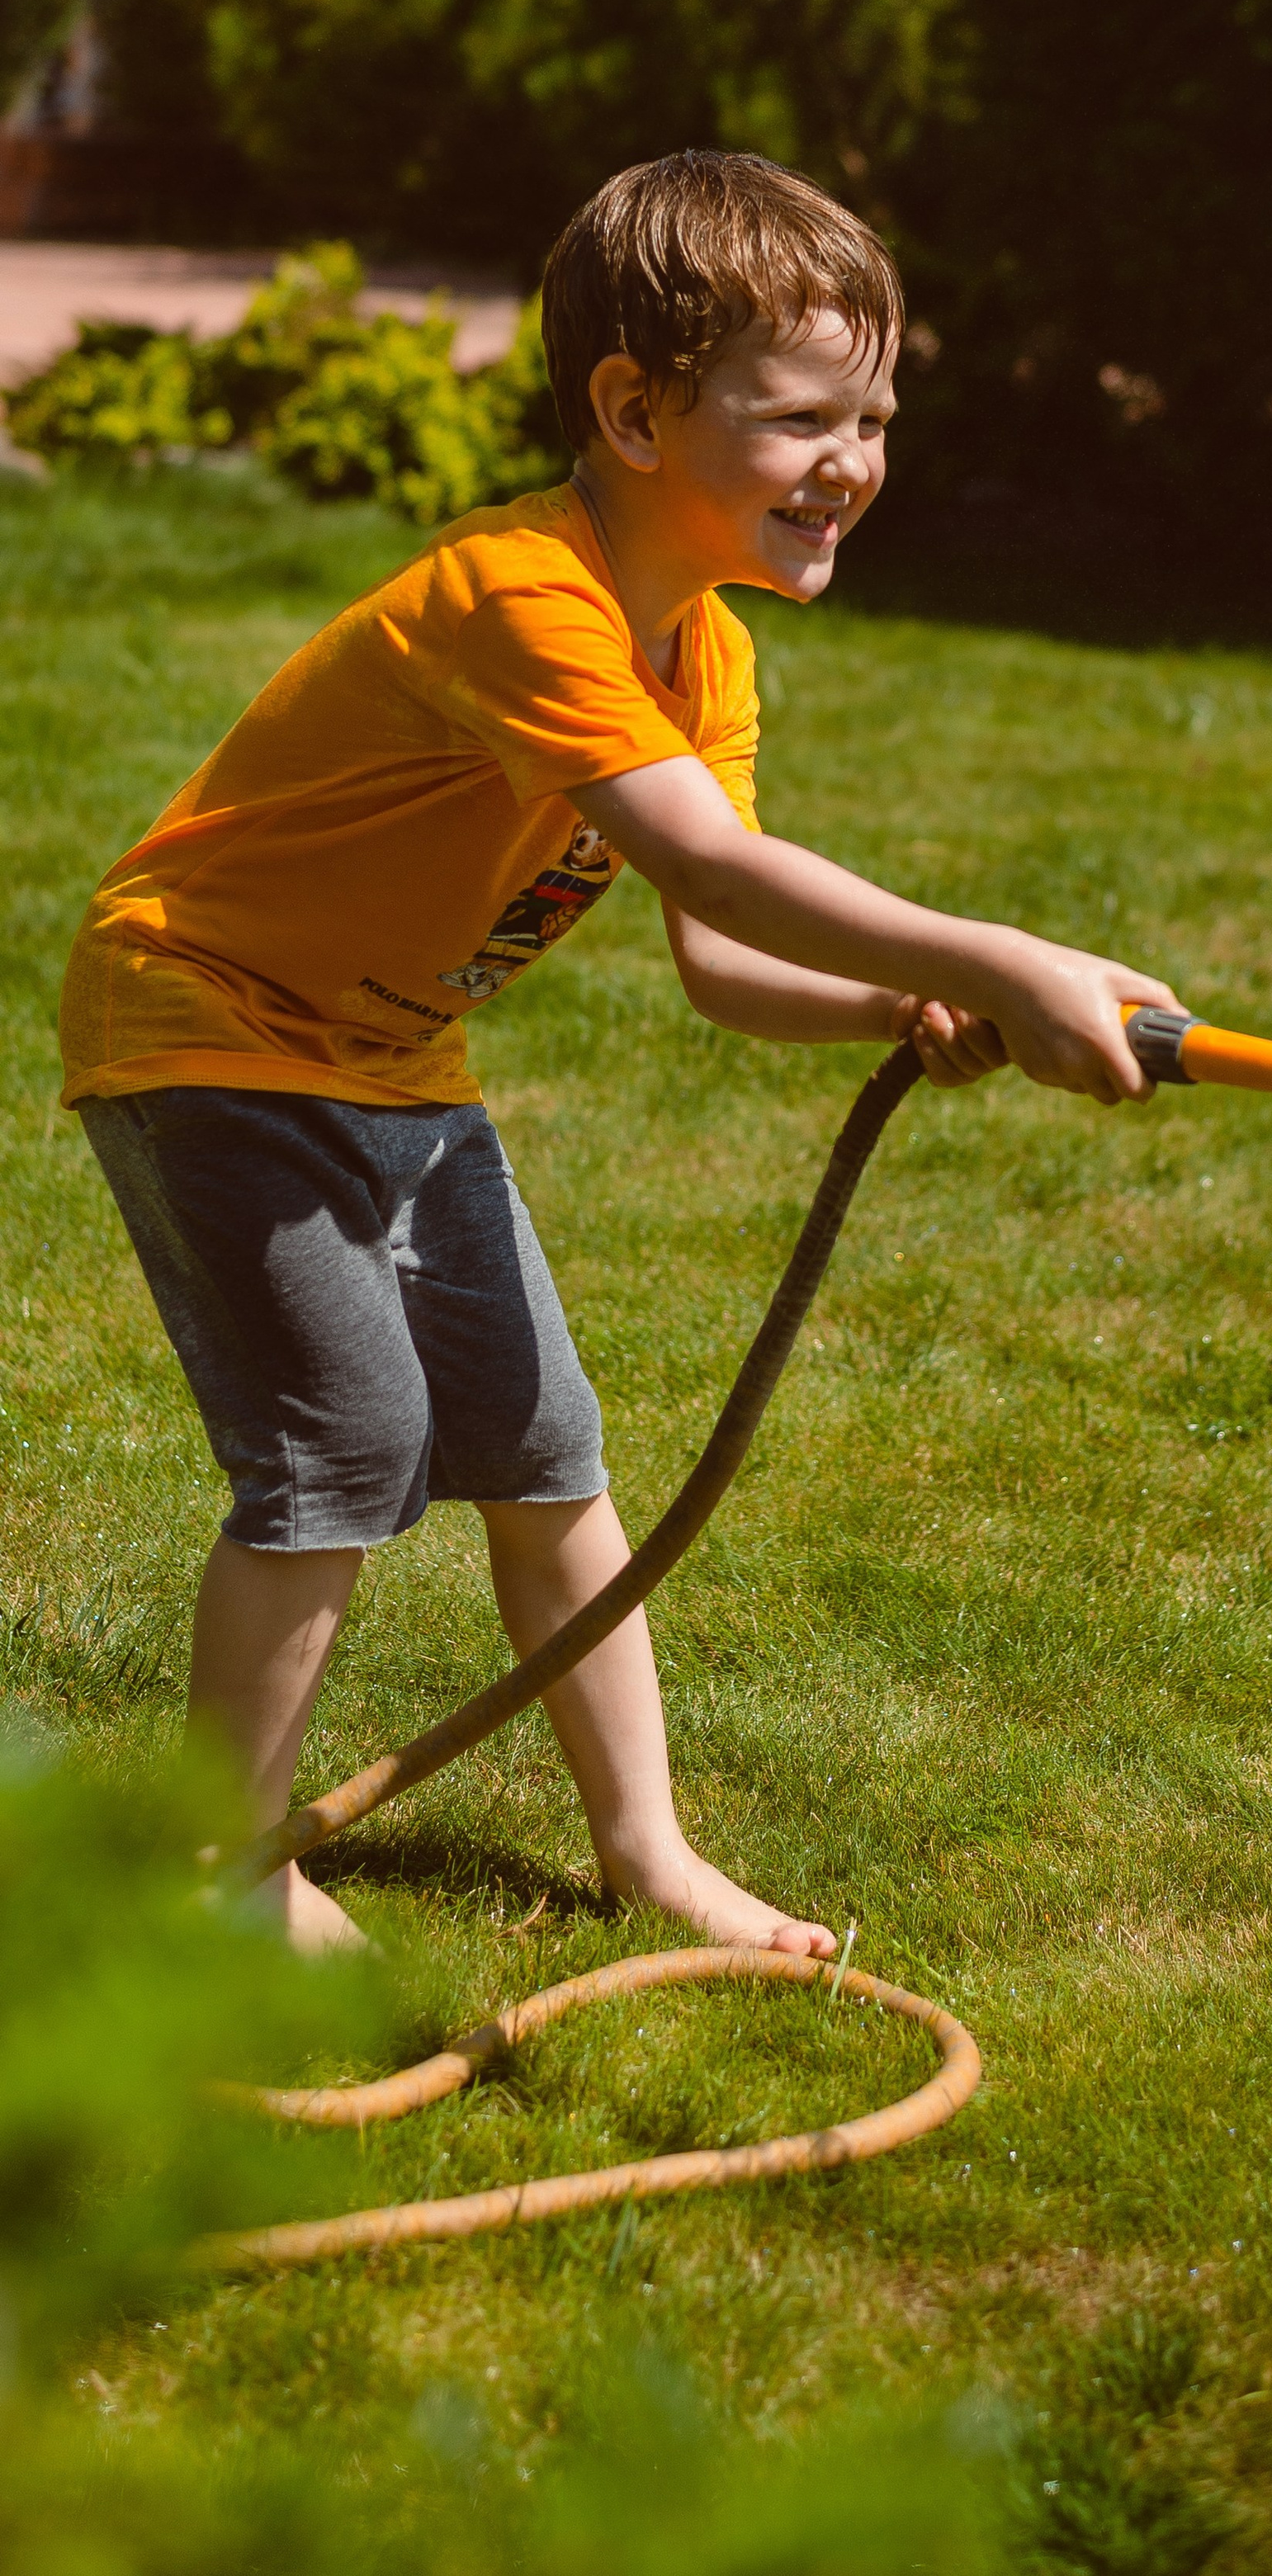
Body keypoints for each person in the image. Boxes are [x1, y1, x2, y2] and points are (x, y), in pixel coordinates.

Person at [59, 149, 1175, 1955]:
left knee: (544, 1454)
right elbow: (709, 861)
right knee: (342, 1447)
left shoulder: (703, 651)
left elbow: (720, 960)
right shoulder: (525, 596)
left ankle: (646, 1849)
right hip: (207, 1018)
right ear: (634, 411)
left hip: (396, 1055)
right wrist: (1002, 952)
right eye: (805, 413)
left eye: (876, 415)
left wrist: (904, 1008)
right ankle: (230, 1879)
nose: (857, 460)